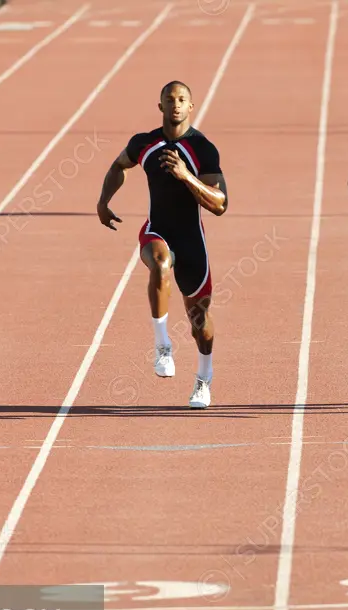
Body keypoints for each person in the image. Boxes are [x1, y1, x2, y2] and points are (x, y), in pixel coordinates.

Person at [97, 80, 227, 410]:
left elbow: (220, 203)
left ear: (191, 106)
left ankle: (203, 380)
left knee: (200, 323)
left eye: (182, 99)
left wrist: (186, 176)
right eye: (170, 100)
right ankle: (163, 345)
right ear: (160, 107)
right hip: (157, 230)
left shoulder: (203, 149)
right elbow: (119, 165)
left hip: (192, 241)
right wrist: (103, 201)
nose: (176, 105)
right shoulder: (145, 143)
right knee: (160, 262)